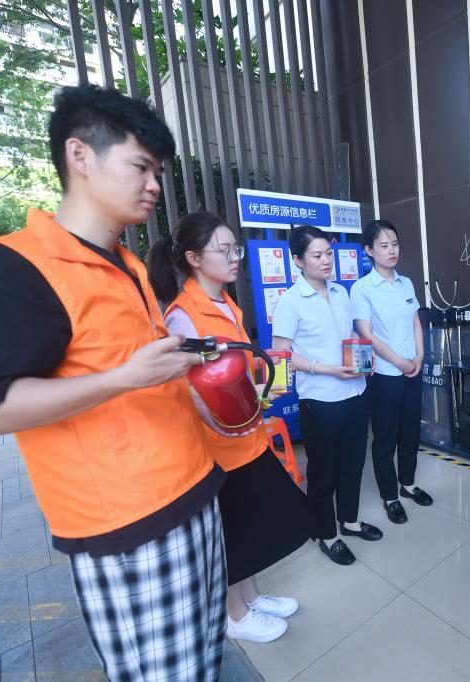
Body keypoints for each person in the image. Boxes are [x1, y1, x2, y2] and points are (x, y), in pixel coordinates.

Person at [0, 84, 228, 679]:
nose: (154, 185)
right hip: (128, 527)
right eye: (141, 166)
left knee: (204, 662)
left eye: (158, 172)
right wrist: (123, 378)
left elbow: (137, 367)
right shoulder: (15, 268)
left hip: (191, 492)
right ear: (80, 155)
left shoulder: (127, 264)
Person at [146, 211, 313, 643]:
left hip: (248, 437)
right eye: (224, 250)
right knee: (235, 532)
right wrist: (222, 420)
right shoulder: (183, 315)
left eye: (234, 248)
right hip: (221, 449)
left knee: (252, 525)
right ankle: (235, 616)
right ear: (194, 258)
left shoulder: (225, 302)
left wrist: (261, 390)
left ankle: (252, 598)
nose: (235, 257)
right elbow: (189, 388)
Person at [271, 226, 381, 565]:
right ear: (297, 260)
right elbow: (281, 355)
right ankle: (326, 534)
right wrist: (327, 369)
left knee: (353, 464)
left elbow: (347, 333)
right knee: (323, 472)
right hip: (320, 401)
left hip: (355, 392)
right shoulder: (290, 302)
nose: (326, 261)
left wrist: (364, 356)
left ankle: (349, 521)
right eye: (317, 255)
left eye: (328, 254)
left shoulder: (340, 292)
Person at [350, 220, 431, 525]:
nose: (391, 250)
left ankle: (407, 484)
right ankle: (390, 496)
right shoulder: (362, 288)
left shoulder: (406, 283)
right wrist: (399, 361)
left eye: (394, 244)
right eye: (383, 246)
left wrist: (419, 356)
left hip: (413, 369)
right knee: (385, 437)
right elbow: (367, 334)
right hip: (385, 374)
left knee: (411, 432)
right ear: (369, 251)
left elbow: (415, 323)